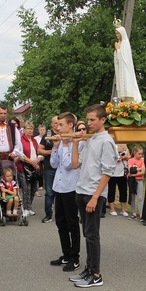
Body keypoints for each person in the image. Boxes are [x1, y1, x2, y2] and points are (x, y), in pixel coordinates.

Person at [69, 104, 118, 288]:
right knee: (87, 233)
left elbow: (107, 172)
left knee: (92, 235)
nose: (88, 123)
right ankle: (88, 270)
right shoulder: (91, 139)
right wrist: (75, 143)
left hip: (93, 194)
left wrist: (96, 197)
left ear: (102, 120)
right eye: (87, 119)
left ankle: (96, 274)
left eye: (92, 120)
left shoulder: (106, 141)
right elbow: (76, 164)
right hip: (82, 190)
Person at [50, 112, 83, 273]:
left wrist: (63, 145)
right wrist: (56, 146)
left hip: (71, 188)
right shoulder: (61, 143)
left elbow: (69, 164)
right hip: (59, 186)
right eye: (57, 125)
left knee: (72, 223)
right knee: (60, 222)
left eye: (61, 125)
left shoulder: (79, 143)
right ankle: (65, 254)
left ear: (70, 125)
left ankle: (75, 258)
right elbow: (54, 163)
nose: (58, 128)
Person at [0, 106, 22, 181]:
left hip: (8, 159)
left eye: (4, 113)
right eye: (1, 113)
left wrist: (14, 152)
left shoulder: (12, 127)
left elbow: (18, 143)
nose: (3, 115)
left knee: (9, 181)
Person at [16, 121, 42, 216]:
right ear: (24, 129)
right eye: (28, 128)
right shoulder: (21, 140)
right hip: (23, 166)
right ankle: (25, 208)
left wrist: (37, 160)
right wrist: (31, 162)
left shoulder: (34, 140)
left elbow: (39, 152)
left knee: (33, 188)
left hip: (33, 167)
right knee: (26, 188)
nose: (30, 130)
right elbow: (20, 154)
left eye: (31, 129)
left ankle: (29, 207)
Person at [113, 23, 142, 102]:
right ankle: (124, 99)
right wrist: (117, 50)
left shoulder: (125, 43)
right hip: (121, 68)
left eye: (118, 33)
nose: (116, 35)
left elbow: (125, 58)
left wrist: (118, 50)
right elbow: (117, 59)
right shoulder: (119, 43)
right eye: (116, 33)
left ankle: (129, 98)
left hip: (125, 68)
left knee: (127, 83)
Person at [38, 116, 59, 223]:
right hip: (49, 167)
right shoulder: (48, 135)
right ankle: (48, 214)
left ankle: (61, 215)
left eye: (59, 123)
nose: (57, 125)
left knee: (61, 192)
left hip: (61, 168)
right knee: (49, 192)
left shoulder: (65, 134)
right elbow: (39, 150)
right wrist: (52, 151)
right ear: (51, 124)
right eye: (55, 123)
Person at [107, 143, 129, 217]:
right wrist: (116, 158)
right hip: (112, 173)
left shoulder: (125, 145)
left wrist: (122, 158)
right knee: (111, 190)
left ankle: (123, 210)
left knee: (123, 191)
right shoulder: (111, 144)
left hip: (122, 172)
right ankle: (112, 209)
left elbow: (129, 156)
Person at [126, 146, 145, 219]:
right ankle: (133, 213)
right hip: (132, 181)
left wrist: (134, 173)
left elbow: (143, 172)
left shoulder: (142, 160)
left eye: (141, 154)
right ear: (134, 153)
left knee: (140, 197)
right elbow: (130, 169)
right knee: (132, 197)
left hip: (139, 180)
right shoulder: (130, 160)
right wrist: (139, 169)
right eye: (139, 154)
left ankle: (141, 213)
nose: (140, 156)